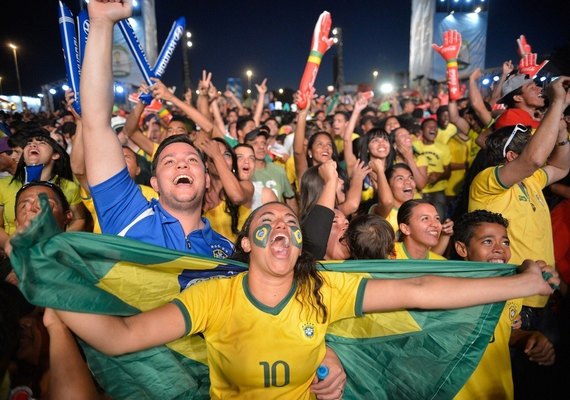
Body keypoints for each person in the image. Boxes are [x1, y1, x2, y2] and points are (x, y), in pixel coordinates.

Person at [54, 200, 560, 399]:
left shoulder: (323, 287)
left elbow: (420, 288)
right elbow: (119, 337)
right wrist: (49, 285)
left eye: (291, 225)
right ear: (246, 243)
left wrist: (520, 285)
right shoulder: (213, 296)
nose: (282, 230)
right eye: (266, 225)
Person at [78, 1, 232, 257]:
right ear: (154, 183)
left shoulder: (226, 251)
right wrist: (102, 23)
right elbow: (95, 123)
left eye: (192, 159)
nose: (182, 165)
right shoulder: (127, 215)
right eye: (169, 161)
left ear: (207, 180)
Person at [452, 210, 556, 400]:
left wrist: (528, 337)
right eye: (487, 241)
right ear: (462, 249)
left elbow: (500, 332)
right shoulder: (447, 288)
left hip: (499, 392)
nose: (500, 248)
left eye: (505, 242)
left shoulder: (512, 290)